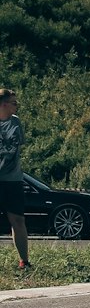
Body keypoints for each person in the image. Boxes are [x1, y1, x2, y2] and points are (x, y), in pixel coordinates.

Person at [0, 89, 29, 270]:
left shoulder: (16, 122)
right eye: (14, 102)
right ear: (3, 104)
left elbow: (17, 148)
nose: (16, 106)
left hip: (12, 180)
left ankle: (24, 261)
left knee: (18, 220)